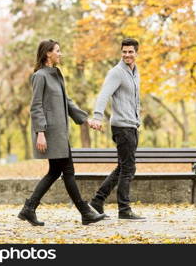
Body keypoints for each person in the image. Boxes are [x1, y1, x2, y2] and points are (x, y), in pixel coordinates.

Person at [18, 39, 105, 226]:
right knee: (68, 171)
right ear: (48, 53)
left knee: (55, 172)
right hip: (49, 133)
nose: (60, 53)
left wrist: (85, 120)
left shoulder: (56, 74)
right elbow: (36, 107)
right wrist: (40, 132)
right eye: (58, 50)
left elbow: (68, 102)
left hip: (60, 133)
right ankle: (85, 211)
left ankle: (29, 208)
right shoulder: (40, 76)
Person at [88, 38, 145, 220]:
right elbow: (104, 94)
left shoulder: (135, 73)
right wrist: (97, 116)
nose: (127, 55)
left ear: (136, 53)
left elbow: (135, 100)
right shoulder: (117, 73)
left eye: (130, 52)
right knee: (128, 169)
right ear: (121, 53)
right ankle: (124, 209)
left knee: (122, 168)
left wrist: (138, 120)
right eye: (124, 52)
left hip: (132, 125)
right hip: (122, 126)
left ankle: (97, 201)